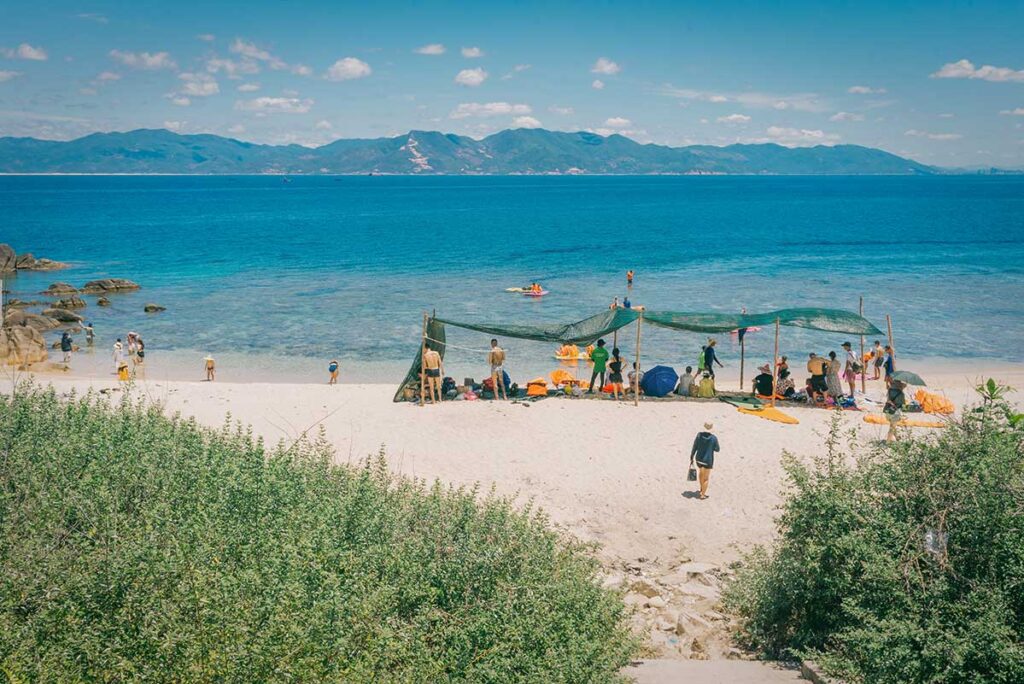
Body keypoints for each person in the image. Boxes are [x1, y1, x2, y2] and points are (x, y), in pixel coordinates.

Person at [689, 422, 720, 500]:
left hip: (698, 459)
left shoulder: (699, 435)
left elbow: (695, 446)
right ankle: (703, 494)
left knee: (701, 473)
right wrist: (711, 447)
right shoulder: (713, 438)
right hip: (708, 460)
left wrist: (691, 456)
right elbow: (717, 449)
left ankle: (701, 488)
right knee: (706, 478)